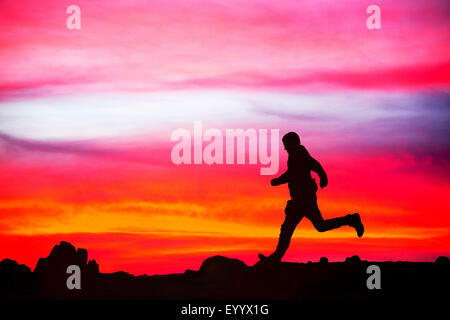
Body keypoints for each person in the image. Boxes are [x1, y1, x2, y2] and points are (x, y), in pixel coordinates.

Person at [259, 132, 364, 262]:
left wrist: (323, 176)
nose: (285, 148)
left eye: (286, 145)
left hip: (305, 200)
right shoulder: (294, 156)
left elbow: (314, 164)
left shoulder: (300, 154)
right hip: (298, 200)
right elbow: (292, 173)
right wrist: (278, 180)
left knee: (316, 227)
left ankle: (351, 219)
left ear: (293, 143)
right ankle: (276, 258)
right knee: (292, 228)